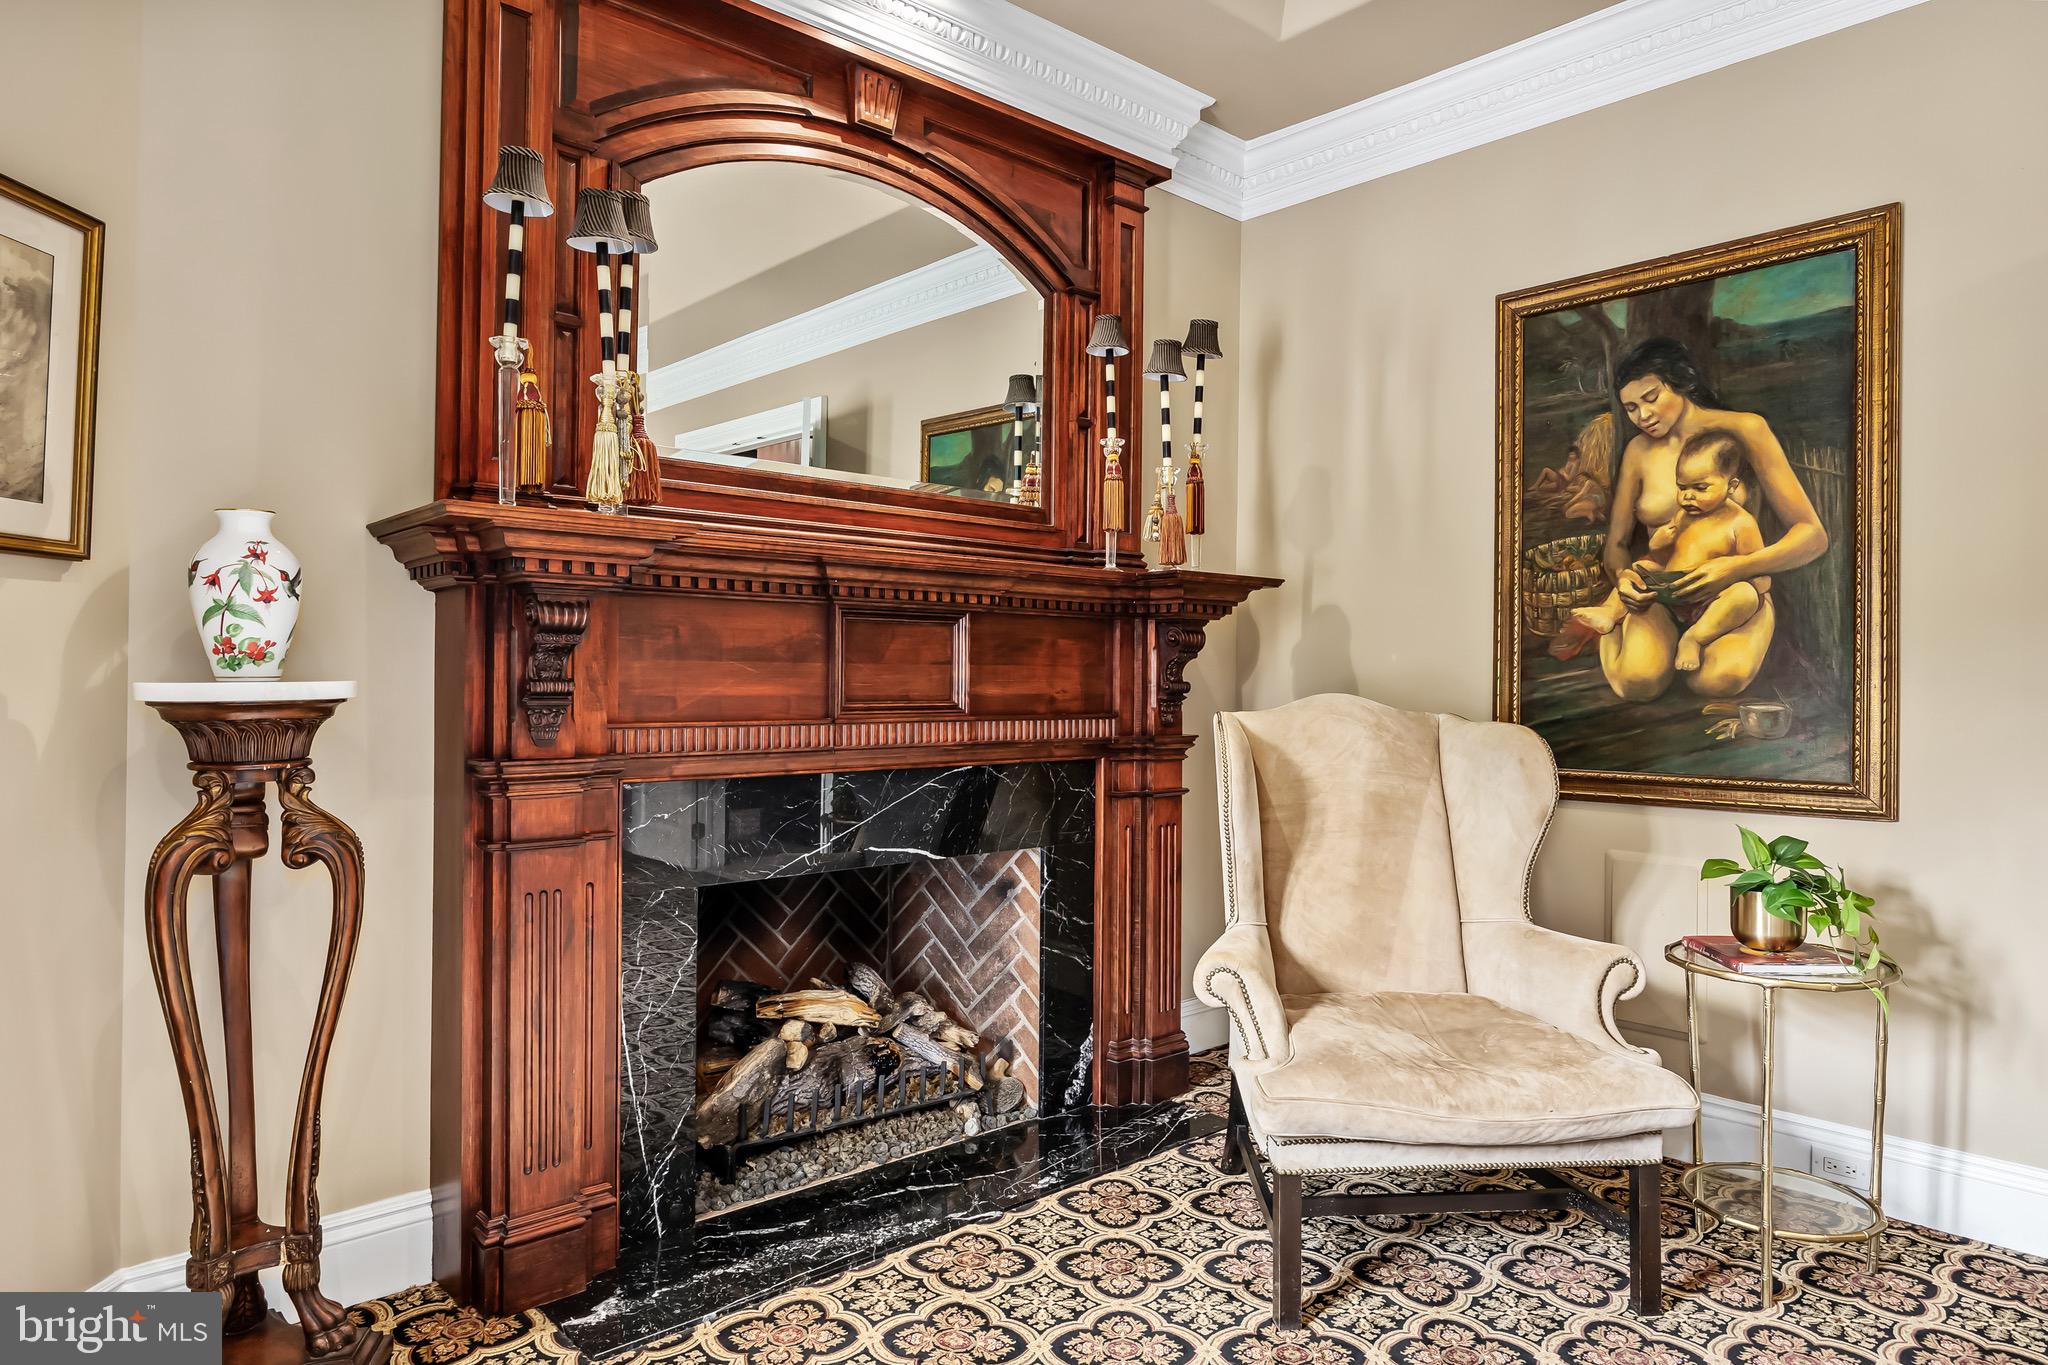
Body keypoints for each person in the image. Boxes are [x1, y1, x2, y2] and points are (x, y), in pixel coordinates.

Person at [1561, 338, 1829, 701]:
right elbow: (1617, 547)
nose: (1643, 416)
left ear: (1681, 383)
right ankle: (1615, 624)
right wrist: (1625, 581)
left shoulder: (1745, 430)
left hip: (1729, 595)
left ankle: (1695, 638)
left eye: (1651, 397)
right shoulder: (1638, 451)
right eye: (1631, 408)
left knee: (1717, 682)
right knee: (1637, 684)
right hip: (1661, 592)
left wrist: (1735, 569)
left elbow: (1812, 535)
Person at [1559, 429, 1768, 673]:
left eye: (1701, 488)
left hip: (1711, 601)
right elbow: (1661, 558)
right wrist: (1658, 545)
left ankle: (1695, 638)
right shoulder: (1684, 515)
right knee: (1640, 568)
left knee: (1746, 595)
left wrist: (1735, 577)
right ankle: (1610, 612)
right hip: (1671, 593)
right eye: (1682, 487)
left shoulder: (1741, 523)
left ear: (1730, 486)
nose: (1688, 496)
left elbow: (1760, 576)